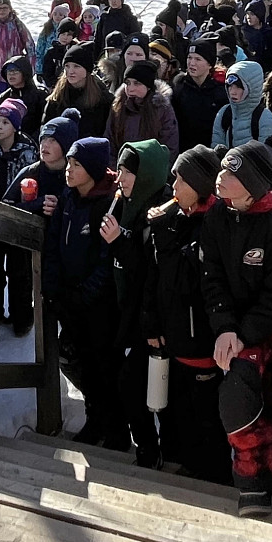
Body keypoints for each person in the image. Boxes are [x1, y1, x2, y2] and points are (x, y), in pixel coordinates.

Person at [201, 141, 272, 517]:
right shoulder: (216, 217)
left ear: (252, 184)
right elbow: (211, 277)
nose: (221, 178)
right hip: (228, 323)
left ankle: (255, 482)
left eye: (231, 173)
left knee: (239, 382)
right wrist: (225, 326)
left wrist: (242, 335)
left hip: (268, 328)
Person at [142, 146, 231, 483]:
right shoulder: (178, 215)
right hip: (172, 332)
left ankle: (214, 478)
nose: (173, 184)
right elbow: (155, 278)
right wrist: (151, 319)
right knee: (177, 410)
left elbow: (187, 279)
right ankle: (184, 466)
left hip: (201, 340)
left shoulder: (214, 221)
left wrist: (163, 238)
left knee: (206, 415)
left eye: (181, 178)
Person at [47, 135, 122, 444]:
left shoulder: (108, 203)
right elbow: (53, 243)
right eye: (69, 163)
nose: (69, 169)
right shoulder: (67, 198)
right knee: (83, 364)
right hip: (71, 299)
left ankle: (116, 429)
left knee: (104, 365)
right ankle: (95, 420)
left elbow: (107, 259)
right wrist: (56, 289)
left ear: (92, 169)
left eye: (76, 165)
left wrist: (85, 294)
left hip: (99, 305)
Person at [102, 139, 172, 463]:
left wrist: (119, 240)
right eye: (121, 170)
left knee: (138, 383)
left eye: (129, 171)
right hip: (131, 313)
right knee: (129, 382)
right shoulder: (125, 202)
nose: (122, 178)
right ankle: (149, 446)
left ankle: (157, 449)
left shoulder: (161, 211)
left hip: (156, 318)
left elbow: (148, 268)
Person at [0, 100, 38, 334]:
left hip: (18, 217)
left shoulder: (27, 149)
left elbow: (33, 177)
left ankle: (22, 317)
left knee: (19, 271)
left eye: (5, 122)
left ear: (15, 126)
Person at [213, 60, 272, 152]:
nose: (232, 92)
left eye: (238, 87)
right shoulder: (224, 113)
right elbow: (216, 144)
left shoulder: (264, 116)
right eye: (230, 86)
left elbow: (269, 155)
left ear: (252, 88)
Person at [46, 46, 112, 142]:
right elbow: (47, 129)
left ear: (87, 70)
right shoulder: (57, 97)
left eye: (76, 66)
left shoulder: (103, 99)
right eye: (67, 66)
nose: (71, 71)